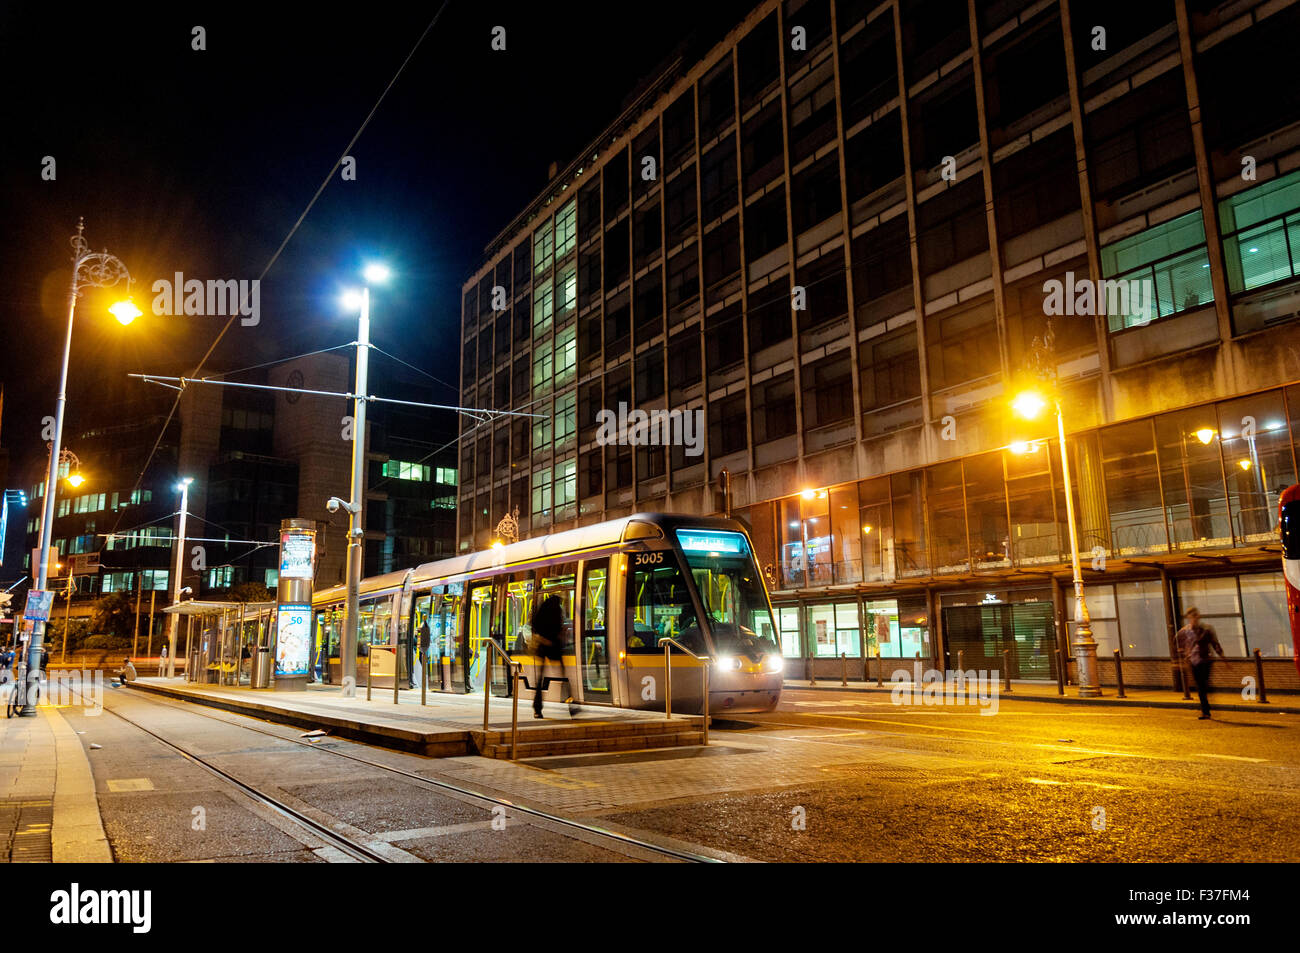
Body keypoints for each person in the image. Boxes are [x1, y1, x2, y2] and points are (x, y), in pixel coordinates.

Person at [530, 594, 578, 718]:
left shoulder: (542, 609)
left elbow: (534, 624)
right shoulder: (556, 610)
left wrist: (542, 637)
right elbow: (559, 627)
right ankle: (572, 704)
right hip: (553, 647)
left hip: (542, 647)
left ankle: (537, 709)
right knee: (564, 676)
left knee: (540, 680)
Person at [1176, 607, 1225, 720]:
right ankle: (1205, 711)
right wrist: (1183, 654)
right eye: (1192, 615)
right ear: (1188, 617)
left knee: (1203, 685)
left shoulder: (1206, 629)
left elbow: (1215, 644)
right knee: (1200, 686)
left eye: (1196, 615)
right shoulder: (1184, 632)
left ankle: (1206, 708)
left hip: (1205, 661)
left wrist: (1223, 659)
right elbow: (1178, 644)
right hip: (1193, 662)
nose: (1195, 618)